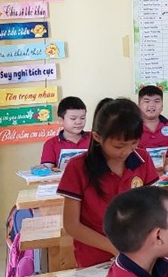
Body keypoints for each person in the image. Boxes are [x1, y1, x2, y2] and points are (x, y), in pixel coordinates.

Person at [58, 98, 158, 267]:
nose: (126, 151)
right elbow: (72, 225)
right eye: (118, 146)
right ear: (97, 137)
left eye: (134, 143)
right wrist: (115, 249)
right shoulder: (78, 167)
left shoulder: (142, 159)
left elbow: (153, 208)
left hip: (137, 252)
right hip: (95, 258)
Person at [39, 96, 90, 166]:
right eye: (73, 118)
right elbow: (47, 169)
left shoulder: (94, 138)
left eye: (82, 118)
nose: (78, 122)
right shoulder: (51, 144)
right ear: (61, 120)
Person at [137, 85, 168, 152]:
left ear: (162, 106)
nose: (152, 105)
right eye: (147, 101)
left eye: (156, 101)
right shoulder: (132, 127)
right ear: (139, 106)